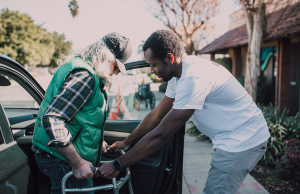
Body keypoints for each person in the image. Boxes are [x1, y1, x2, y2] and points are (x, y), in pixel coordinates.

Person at [96, 30, 270, 194]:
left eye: (153, 64)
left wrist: (118, 165)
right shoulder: (179, 75)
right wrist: (127, 142)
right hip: (230, 138)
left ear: (170, 58)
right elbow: (157, 115)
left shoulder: (194, 78)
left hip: (243, 141)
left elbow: (161, 134)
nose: (151, 70)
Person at [31, 32, 132, 194]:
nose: (116, 73)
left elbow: (80, 117)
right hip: (60, 158)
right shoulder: (85, 76)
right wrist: (77, 163)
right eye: (116, 66)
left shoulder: (82, 68)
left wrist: (96, 142)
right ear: (106, 57)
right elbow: (53, 119)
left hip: (57, 153)